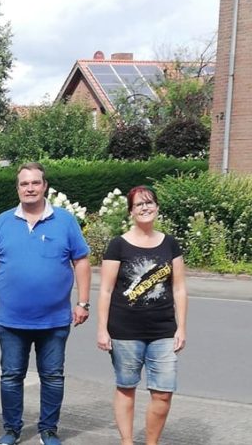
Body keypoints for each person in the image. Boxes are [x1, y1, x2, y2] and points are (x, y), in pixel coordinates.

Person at [0, 162, 91, 445]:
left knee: (52, 377)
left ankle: (48, 429)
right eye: (24, 184)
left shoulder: (65, 221)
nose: (29, 188)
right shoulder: (3, 222)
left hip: (55, 321)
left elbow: (81, 261)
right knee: (11, 376)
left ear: (44, 186)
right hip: (12, 321)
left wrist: (83, 303)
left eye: (35, 183)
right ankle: (12, 429)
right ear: (18, 188)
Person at [96, 185, 187, 445]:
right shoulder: (118, 245)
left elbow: (179, 288)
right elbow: (105, 290)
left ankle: (151, 442)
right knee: (126, 387)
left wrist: (182, 327)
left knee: (164, 392)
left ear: (157, 207)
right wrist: (102, 329)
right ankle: (127, 441)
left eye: (149, 203)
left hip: (163, 331)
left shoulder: (170, 244)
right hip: (125, 331)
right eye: (139, 204)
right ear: (131, 211)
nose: (145, 208)